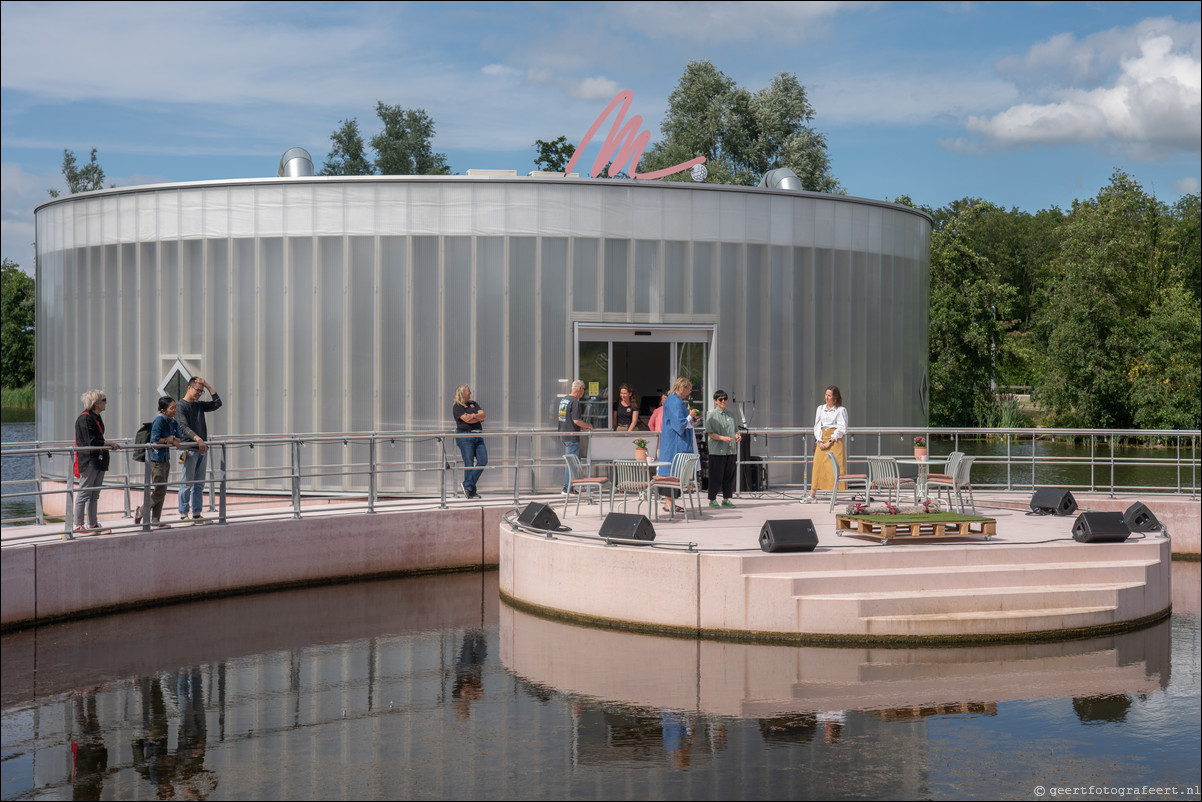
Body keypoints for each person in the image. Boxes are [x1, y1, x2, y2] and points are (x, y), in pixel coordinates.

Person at [175, 377, 223, 522]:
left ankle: (196, 513)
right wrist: (198, 439)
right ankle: (183, 514)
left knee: (199, 484)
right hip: (189, 449)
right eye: (197, 390)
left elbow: (217, 403)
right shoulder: (180, 406)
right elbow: (183, 427)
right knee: (187, 483)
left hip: (201, 449)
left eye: (201, 392)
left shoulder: (199, 405)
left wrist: (207, 385)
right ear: (189, 388)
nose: (199, 394)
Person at [73, 389, 120, 534]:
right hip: (89, 460)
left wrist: (106, 444)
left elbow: (97, 438)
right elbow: (91, 441)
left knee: (94, 493)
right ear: (96, 403)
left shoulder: (95, 417)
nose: (106, 402)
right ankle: (78, 524)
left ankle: (92, 523)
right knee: (85, 492)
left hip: (98, 459)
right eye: (104, 400)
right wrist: (109, 443)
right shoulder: (85, 418)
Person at [138, 396, 181, 527]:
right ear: (163, 410)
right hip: (156, 459)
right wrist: (168, 439)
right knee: (159, 490)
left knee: (162, 489)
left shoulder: (173, 422)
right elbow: (154, 440)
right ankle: (141, 510)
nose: (175, 410)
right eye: (172, 408)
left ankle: (156, 520)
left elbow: (178, 440)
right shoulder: (159, 420)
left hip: (165, 459)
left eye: (175, 407)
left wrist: (171, 439)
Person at [804, 385, 849, 503]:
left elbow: (842, 428)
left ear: (835, 398)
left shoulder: (840, 410)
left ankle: (834, 496)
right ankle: (812, 496)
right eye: (826, 395)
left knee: (834, 468)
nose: (826, 397)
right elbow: (817, 425)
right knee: (817, 466)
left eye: (829, 395)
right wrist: (819, 440)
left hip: (835, 440)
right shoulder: (820, 408)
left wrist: (830, 441)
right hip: (822, 438)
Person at [657, 377, 693, 512]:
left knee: (671, 471)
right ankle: (669, 502)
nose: (688, 394)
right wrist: (690, 416)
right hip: (674, 443)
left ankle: (670, 502)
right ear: (683, 388)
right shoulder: (675, 401)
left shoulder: (672, 399)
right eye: (687, 390)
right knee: (671, 472)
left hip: (671, 442)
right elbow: (679, 424)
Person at [705, 390, 742, 508]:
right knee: (716, 475)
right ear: (715, 401)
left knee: (729, 475)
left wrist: (737, 436)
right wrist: (722, 438)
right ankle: (712, 499)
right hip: (717, 450)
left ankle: (726, 499)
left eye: (725, 399)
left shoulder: (731, 414)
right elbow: (710, 433)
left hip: (730, 449)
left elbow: (735, 430)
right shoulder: (711, 414)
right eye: (720, 399)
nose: (723, 401)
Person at [557, 379, 594, 493]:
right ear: (580, 389)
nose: (584, 393)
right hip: (572, 436)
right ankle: (567, 488)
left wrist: (580, 426)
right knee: (572, 463)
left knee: (573, 462)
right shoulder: (575, 402)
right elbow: (576, 420)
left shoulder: (565, 400)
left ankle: (572, 487)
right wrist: (588, 426)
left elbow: (566, 418)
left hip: (564, 434)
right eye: (583, 390)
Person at [452, 384, 487, 499]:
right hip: (465, 436)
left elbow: (483, 415)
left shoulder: (473, 403)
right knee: (469, 463)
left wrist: (472, 415)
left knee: (483, 460)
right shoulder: (457, 406)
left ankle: (467, 485)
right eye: (468, 391)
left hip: (477, 436)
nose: (470, 393)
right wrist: (476, 417)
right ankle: (471, 492)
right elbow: (467, 420)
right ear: (462, 393)